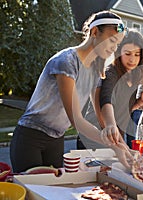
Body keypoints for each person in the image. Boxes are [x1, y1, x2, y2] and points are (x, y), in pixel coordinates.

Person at [10, 10, 133, 173]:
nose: (114, 48)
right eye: (112, 40)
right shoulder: (66, 61)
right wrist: (113, 146)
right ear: (95, 32)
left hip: (56, 140)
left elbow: (101, 114)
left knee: (55, 193)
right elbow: (77, 120)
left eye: (117, 44)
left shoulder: (95, 69)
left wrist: (120, 143)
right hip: (31, 137)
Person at [99, 29, 143, 149]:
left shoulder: (134, 76)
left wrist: (140, 102)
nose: (132, 59)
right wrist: (111, 127)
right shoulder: (111, 73)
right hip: (98, 138)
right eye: (127, 54)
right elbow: (106, 101)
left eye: (137, 54)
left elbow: (124, 111)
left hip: (116, 138)